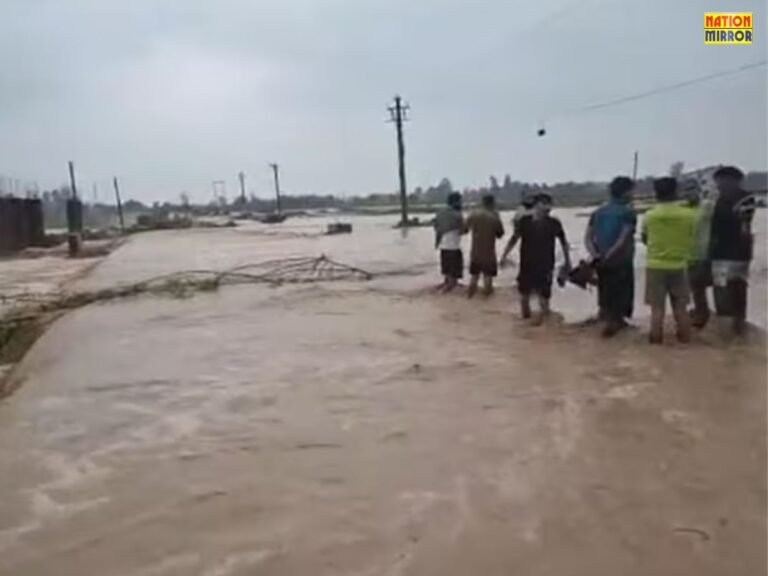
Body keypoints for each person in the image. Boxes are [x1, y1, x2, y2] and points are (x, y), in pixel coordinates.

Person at [641, 177, 697, 344]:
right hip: (680, 265)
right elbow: (691, 236)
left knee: (657, 309)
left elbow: (645, 238)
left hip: (655, 265)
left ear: (656, 194)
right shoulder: (689, 215)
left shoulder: (650, 215)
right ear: (676, 191)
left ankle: (656, 343)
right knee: (681, 308)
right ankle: (685, 341)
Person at [500, 193, 571, 323]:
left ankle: (545, 329)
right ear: (536, 205)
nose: (547, 207)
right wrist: (504, 256)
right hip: (527, 265)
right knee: (524, 297)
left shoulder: (554, 223)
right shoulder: (524, 222)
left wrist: (568, 262)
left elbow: (564, 243)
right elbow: (514, 239)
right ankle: (525, 322)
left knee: (544, 299)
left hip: (546, 266)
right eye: (544, 204)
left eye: (549, 204)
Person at [585, 176, 637, 337]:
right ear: (625, 192)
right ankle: (615, 324)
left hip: (601, 260)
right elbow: (623, 239)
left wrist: (596, 255)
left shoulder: (598, 212)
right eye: (631, 191)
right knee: (622, 293)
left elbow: (587, 238)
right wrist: (609, 255)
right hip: (621, 261)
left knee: (605, 292)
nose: (633, 193)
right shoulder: (628, 213)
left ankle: (606, 318)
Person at [709, 166, 755, 335]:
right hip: (727, 253)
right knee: (732, 289)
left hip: (732, 254)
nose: (718, 185)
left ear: (732, 180)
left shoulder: (744, 199)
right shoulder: (719, 199)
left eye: (720, 181)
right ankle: (735, 329)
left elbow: (745, 225)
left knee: (728, 290)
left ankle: (731, 330)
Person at [684, 178, 717, 329]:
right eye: (687, 190)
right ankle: (700, 311)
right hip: (688, 254)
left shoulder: (708, 206)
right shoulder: (682, 209)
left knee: (700, 286)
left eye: (692, 189)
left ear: (698, 191)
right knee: (695, 288)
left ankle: (702, 315)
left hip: (705, 253)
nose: (689, 193)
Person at [465, 194, 505, 297]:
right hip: (489, 254)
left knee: (474, 277)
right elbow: (500, 234)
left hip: (475, 253)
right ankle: (486, 301)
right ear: (492, 203)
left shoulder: (473, 215)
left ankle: (469, 299)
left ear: (482, 202)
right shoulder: (494, 217)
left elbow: (464, 229)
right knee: (488, 279)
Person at [433, 192, 465, 292]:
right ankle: (449, 290)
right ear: (456, 202)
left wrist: (437, 243)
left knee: (447, 272)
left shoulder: (440, 213)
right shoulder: (457, 214)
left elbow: (437, 229)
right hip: (454, 247)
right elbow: (463, 230)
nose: (461, 203)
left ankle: (446, 285)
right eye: (460, 201)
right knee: (454, 273)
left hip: (443, 246)